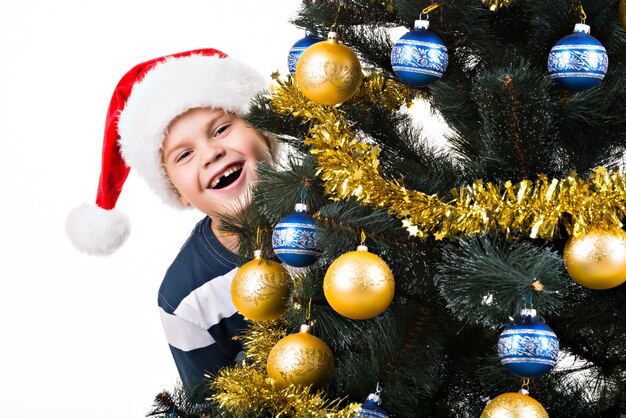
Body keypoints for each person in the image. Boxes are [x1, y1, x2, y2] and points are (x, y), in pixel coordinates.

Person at [65, 48, 277, 392]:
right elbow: (211, 406)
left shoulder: (334, 202)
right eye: (185, 154)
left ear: (264, 131)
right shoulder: (185, 299)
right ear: (176, 190)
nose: (211, 154)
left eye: (222, 128)